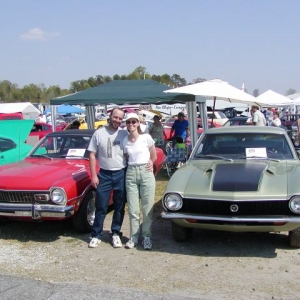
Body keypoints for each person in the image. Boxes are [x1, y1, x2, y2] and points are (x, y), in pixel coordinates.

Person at [87, 107, 128, 248]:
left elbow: (135, 146)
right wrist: (94, 175)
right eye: (115, 117)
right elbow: (92, 154)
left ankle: (115, 233)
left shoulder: (124, 133)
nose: (117, 120)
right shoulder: (99, 133)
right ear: (110, 116)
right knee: (101, 205)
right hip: (104, 174)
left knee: (119, 205)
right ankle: (96, 234)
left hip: (121, 173)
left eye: (120, 118)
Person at [123, 112, 157, 250]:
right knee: (133, 208)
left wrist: (150, 161)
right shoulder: (124, 140)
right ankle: (134, 237)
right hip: (131, 172)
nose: (131, 124)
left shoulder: (146, 138)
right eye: (128, 122)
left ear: (138, 123)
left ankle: (147, 236)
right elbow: (126, 157)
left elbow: (154, 155)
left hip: (146, 172)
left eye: (133, 122)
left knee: (147, 207)